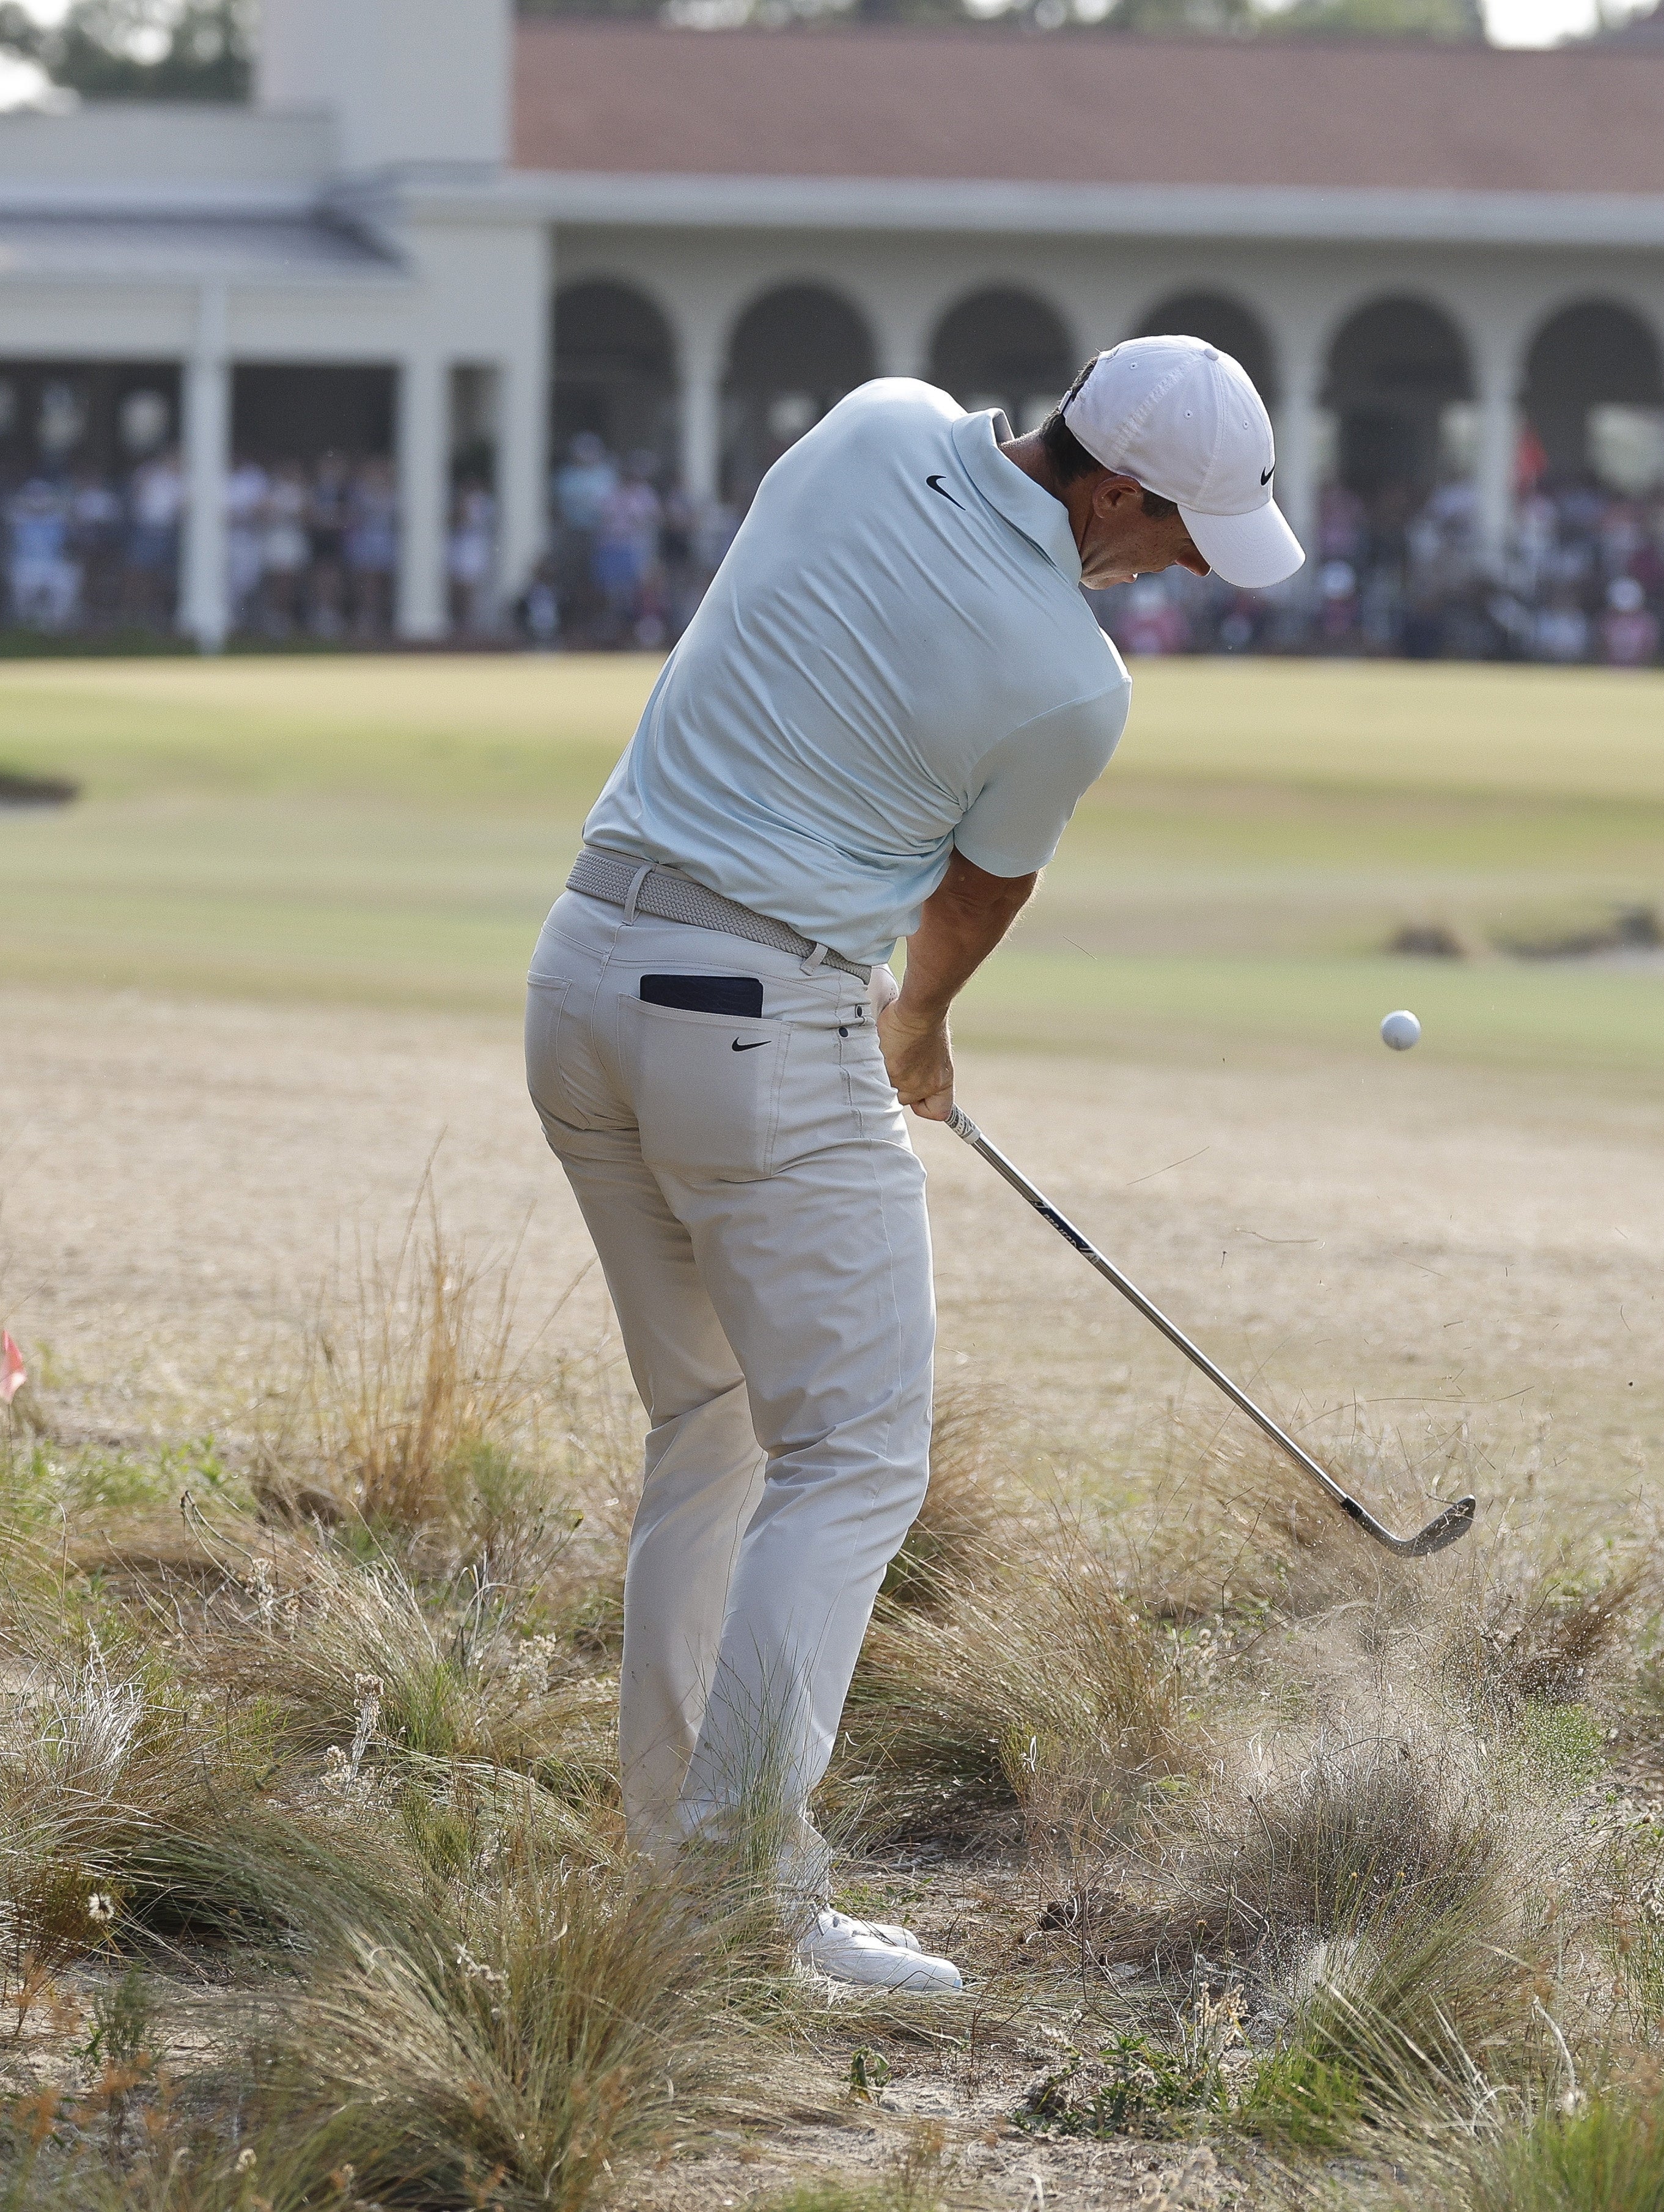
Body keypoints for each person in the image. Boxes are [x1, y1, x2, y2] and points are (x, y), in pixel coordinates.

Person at [520, 338, 1302, 1992]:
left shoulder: (871, 416)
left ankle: (672, 1870)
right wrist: (917, 1031)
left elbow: (811, 657)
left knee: (714, 1423)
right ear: (1112, 493)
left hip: (586, 966)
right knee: (857, 1459)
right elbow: (967, 906)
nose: (1181, 574)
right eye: (1179, 537)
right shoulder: (1075, 684)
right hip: (753, 1032)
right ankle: (742, 1902)